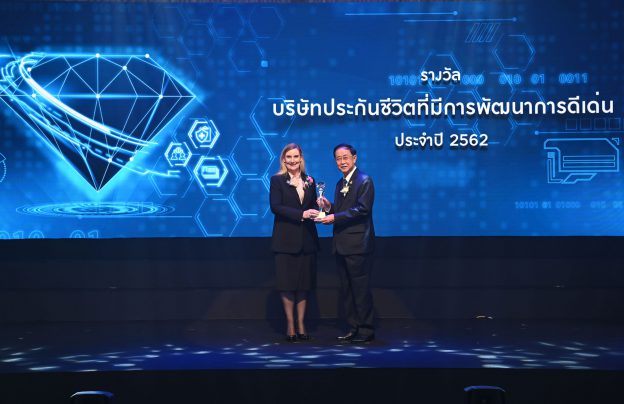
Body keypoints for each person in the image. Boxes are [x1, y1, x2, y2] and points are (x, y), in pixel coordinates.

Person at [317, 143, 375, 343]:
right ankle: (353, 328)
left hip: (358, 245)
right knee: (347, 291)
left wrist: (334, 217)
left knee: (360, 290)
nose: (342, 162)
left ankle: (366, 330)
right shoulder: (339, 183)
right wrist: (329, 207)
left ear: (354, 158)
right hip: (341, 245)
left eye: (345, 157)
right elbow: (344, 210)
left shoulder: (364, 180)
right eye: (338, 158)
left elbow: (362, 210)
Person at [269, 143, 320, 342]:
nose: (292, 160)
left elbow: (313, 205)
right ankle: (290, 325)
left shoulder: (310, 180)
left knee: (304, 285)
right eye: (288, 157)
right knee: (287, 284)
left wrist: (320, 207)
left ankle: (301, 324)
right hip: (285, 240)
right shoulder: (277, 180)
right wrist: (301, 214)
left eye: (296, 156)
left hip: (307, 240)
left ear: (301, 158)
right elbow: (275, 207)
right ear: (283, 159)